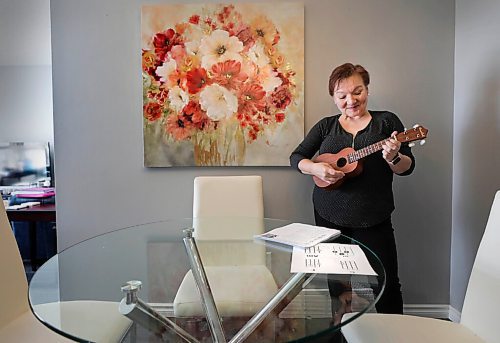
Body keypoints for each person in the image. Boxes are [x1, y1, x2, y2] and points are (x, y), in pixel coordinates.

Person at [289, 63, 415, 315]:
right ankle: (341, 333)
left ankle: (394, 333)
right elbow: (297, 157)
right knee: (337, 284)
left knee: (387, 284)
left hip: (373, 217)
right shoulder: (326, 126)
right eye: (342, 95)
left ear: (367, 90)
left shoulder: (386, 122)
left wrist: (392, 157)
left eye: (357, 91)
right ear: (334, 98)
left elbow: (407, 167)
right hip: (328, 215)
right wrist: (316, 169)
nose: (351, 100)